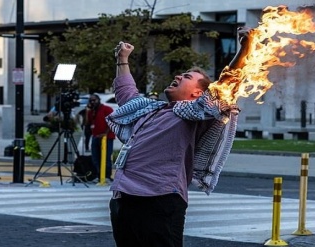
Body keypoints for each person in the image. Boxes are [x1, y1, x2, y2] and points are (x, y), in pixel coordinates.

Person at [106, 28, 250, 247]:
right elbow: (127, 95)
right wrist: (122, 58)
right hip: (123, 198)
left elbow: (224, 87)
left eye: (187, 77)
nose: (178, 76)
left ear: (197, 93)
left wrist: (244, 49)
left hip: (160, 199)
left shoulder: (196, 114)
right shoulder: (150, 109)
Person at [85, 94, 115, 180]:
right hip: (95, 136)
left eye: (94, 100)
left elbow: (112, 121)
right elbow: (87, 124)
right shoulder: (91, 111)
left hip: (107, 137)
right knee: (95, 157)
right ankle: (98, 175)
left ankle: (107, 176)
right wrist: (87, 112)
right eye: (91, 100)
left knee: (106, 157)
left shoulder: (107, 109)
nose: (93, 102)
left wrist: (105, 133)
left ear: (99, 100)